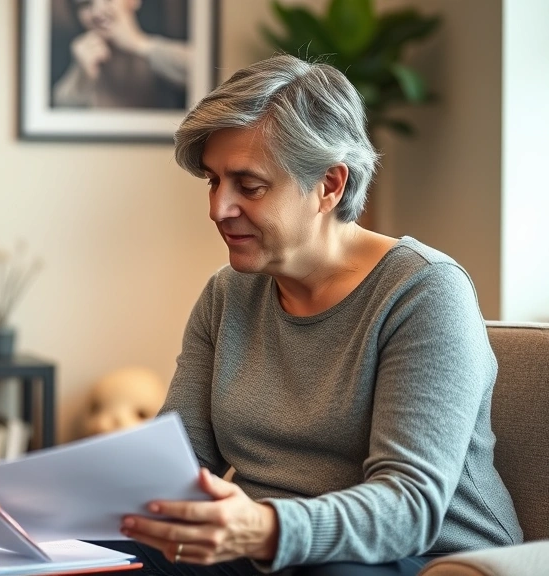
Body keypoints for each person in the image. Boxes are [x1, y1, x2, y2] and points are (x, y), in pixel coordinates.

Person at [97, 54, 522, 575]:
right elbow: (173, 468)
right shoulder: (228, 294)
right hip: (265, 550)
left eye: (248, 186)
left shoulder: (424, 292)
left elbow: (410, 507)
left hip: (425, 556)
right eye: (213, 181)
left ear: (329, 185)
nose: (218, 208)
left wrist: (265, 529)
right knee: (96, 551)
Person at [52, 0, 189, 109]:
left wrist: (140, 44)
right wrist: (82, 78)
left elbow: (206, 76)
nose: (97, 12)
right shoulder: (81, 66)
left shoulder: (168, 54)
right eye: (85, 4)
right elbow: (59, 111)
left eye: (109, 0)